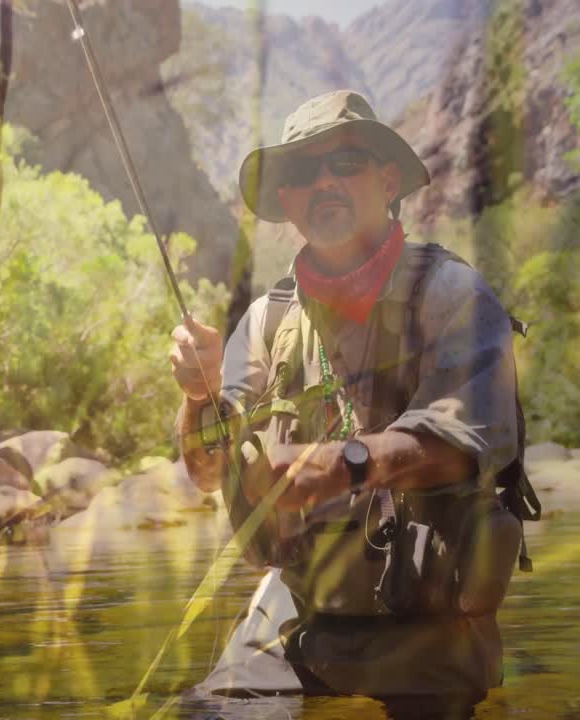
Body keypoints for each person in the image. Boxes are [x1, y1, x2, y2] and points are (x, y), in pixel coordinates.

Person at [168, 90, 527, 717]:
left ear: (388, 180)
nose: (324, 183)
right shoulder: (263, 322)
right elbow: (203, 470)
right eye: (304, 173)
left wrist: (347, 461)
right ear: (288, 201)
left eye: (346, 163)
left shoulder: (451, 293)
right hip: (299, 609)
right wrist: (199, 397)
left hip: (431, 621)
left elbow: (462, 440)